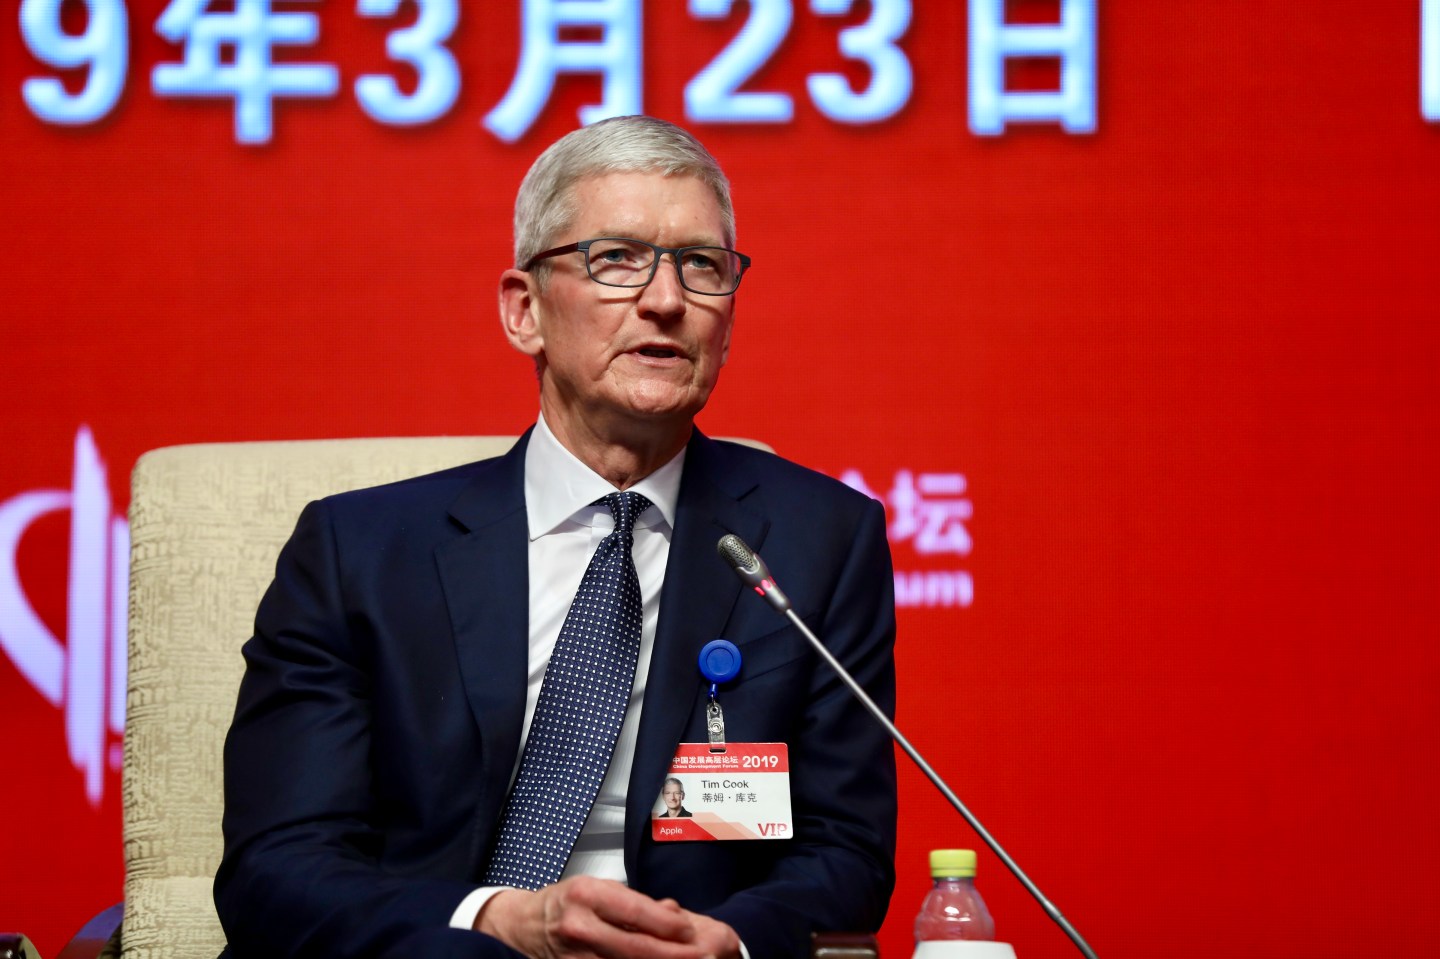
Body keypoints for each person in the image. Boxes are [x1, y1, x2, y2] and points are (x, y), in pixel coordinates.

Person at [214, 115, 897, 959]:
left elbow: (845, 851)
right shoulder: (359, 552)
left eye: (702, 266)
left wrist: (729, 942)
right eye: (615, 259)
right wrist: (496, 922)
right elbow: (278, 866)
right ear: (524, 310)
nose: (666, 299)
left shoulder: (818, 542)